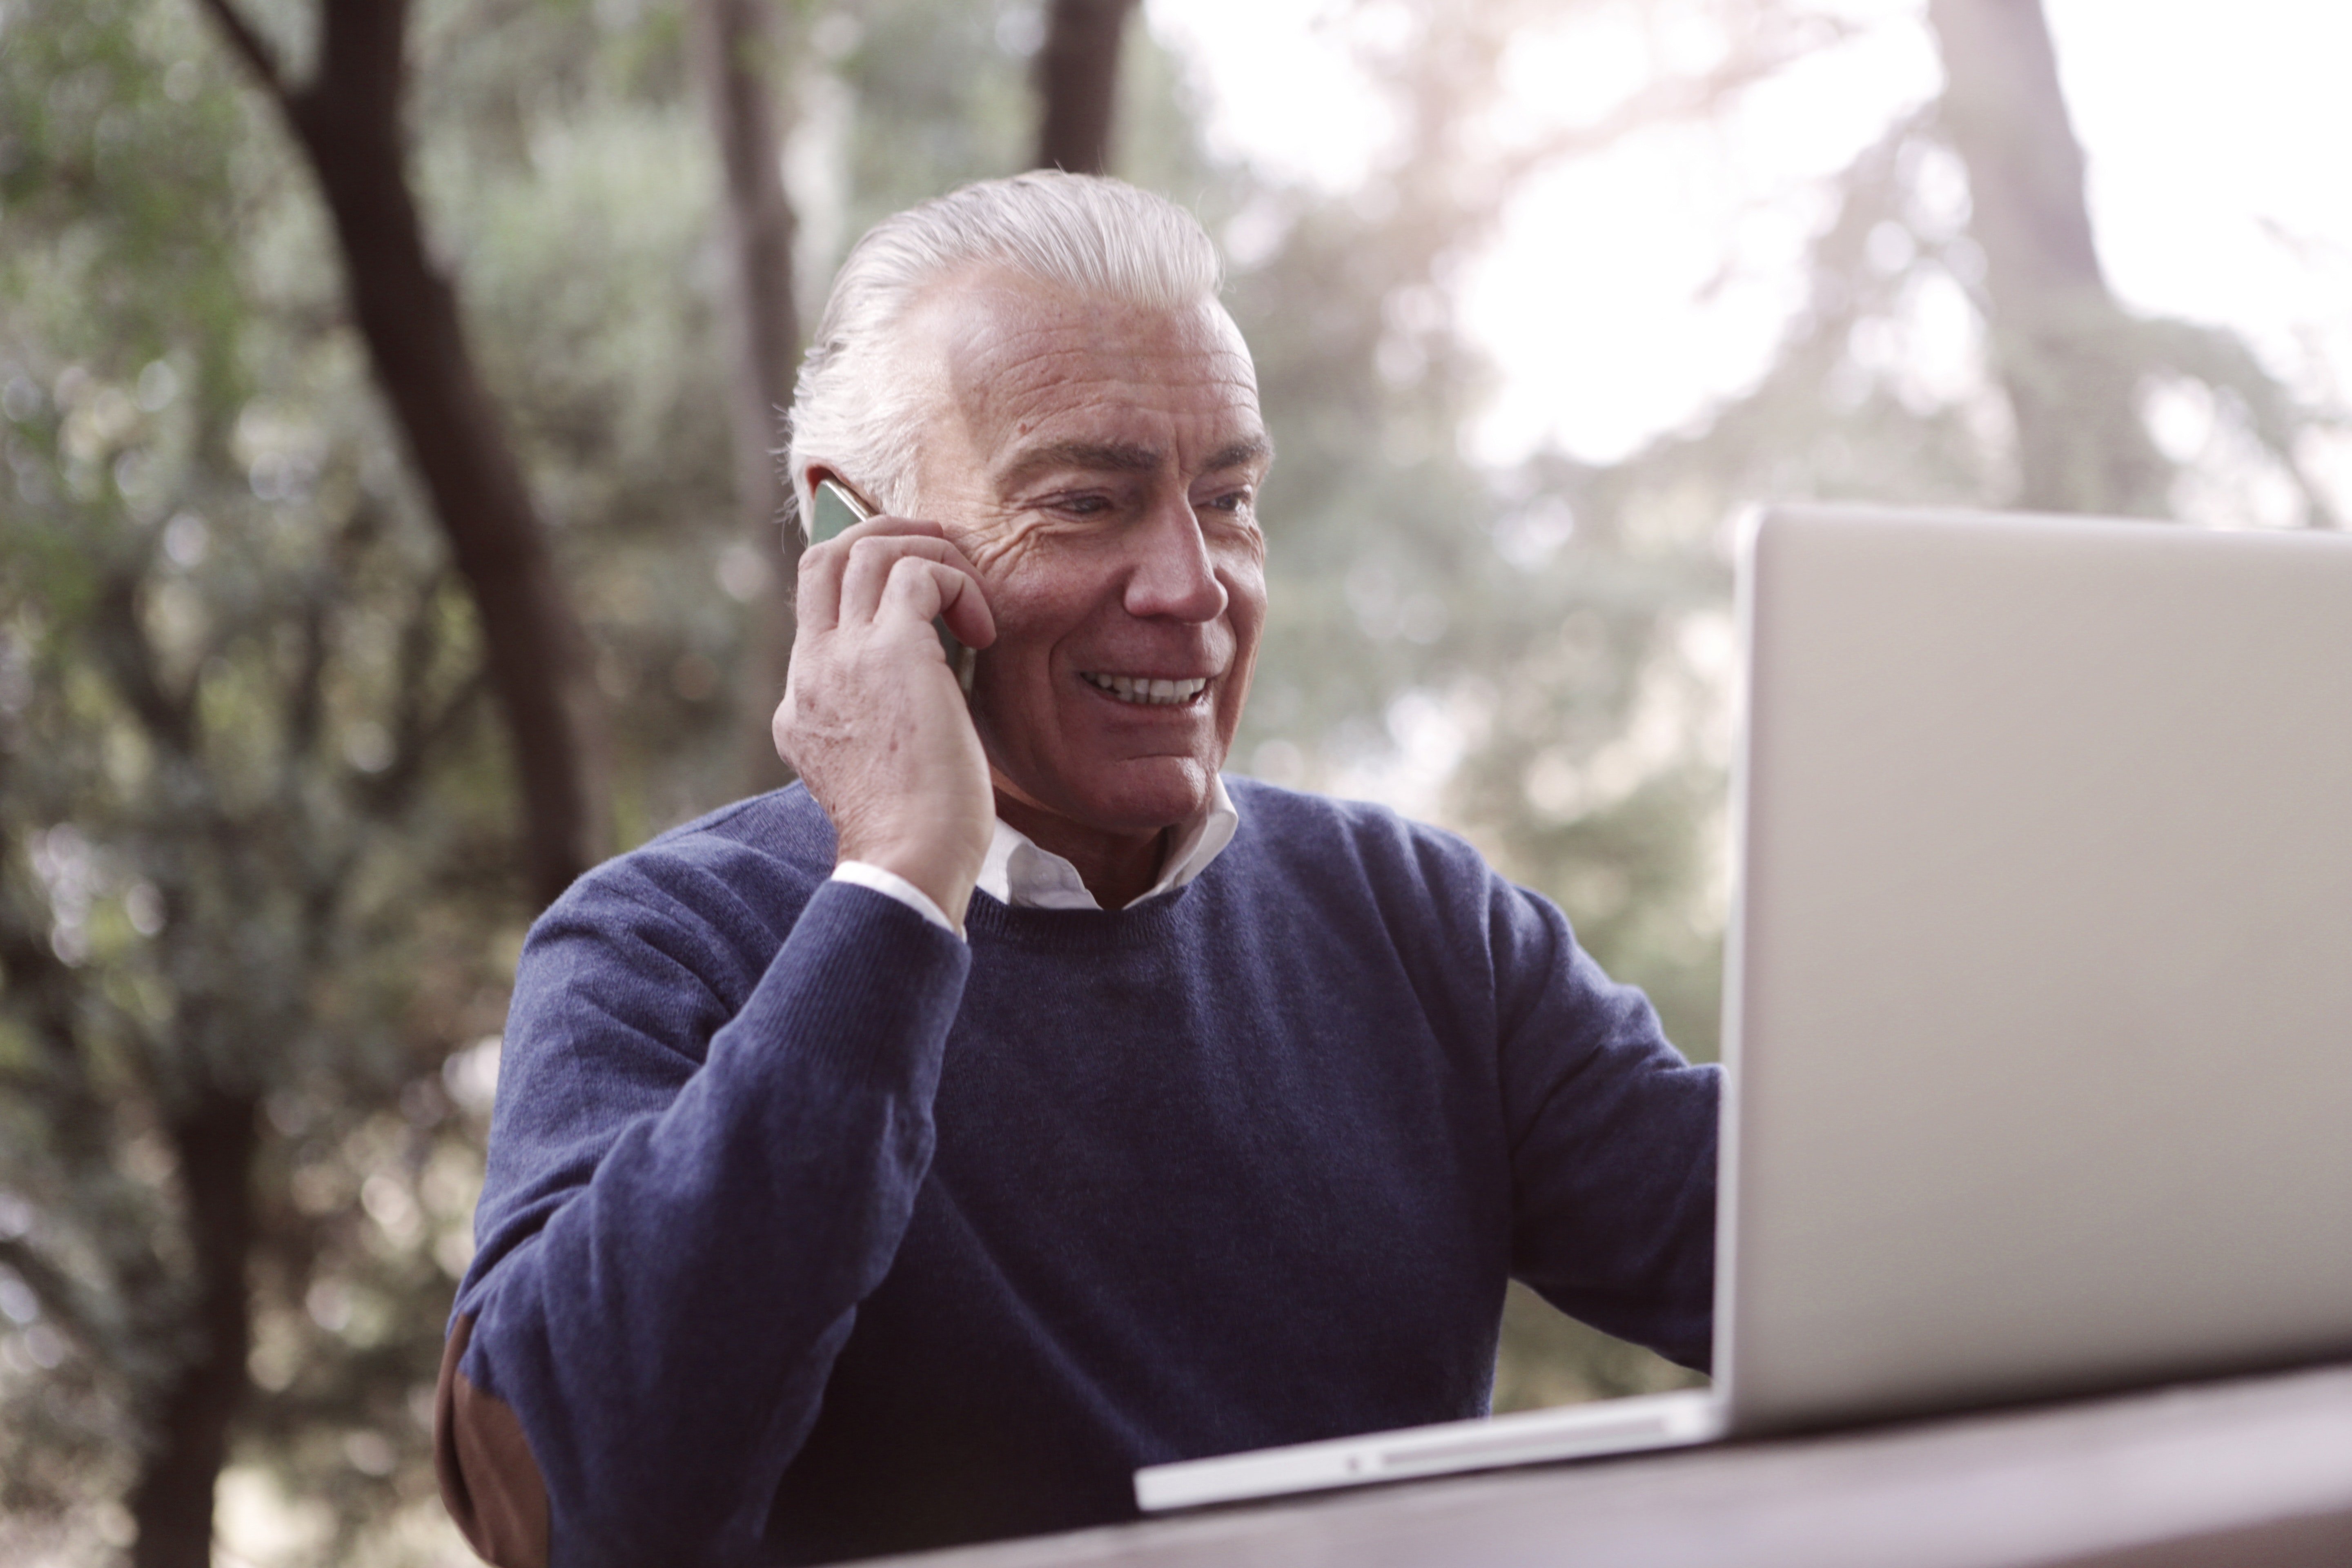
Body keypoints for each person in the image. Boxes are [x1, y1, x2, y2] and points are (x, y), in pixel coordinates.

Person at [434, 172, 1718, 1568]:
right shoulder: (661, 944)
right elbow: (564, 1504)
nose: (1190, 585)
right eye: (1089, 502)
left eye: (1226, 499)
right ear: (849, 537)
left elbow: (1812, 1258)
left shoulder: (1421, 925)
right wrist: (898, 886)